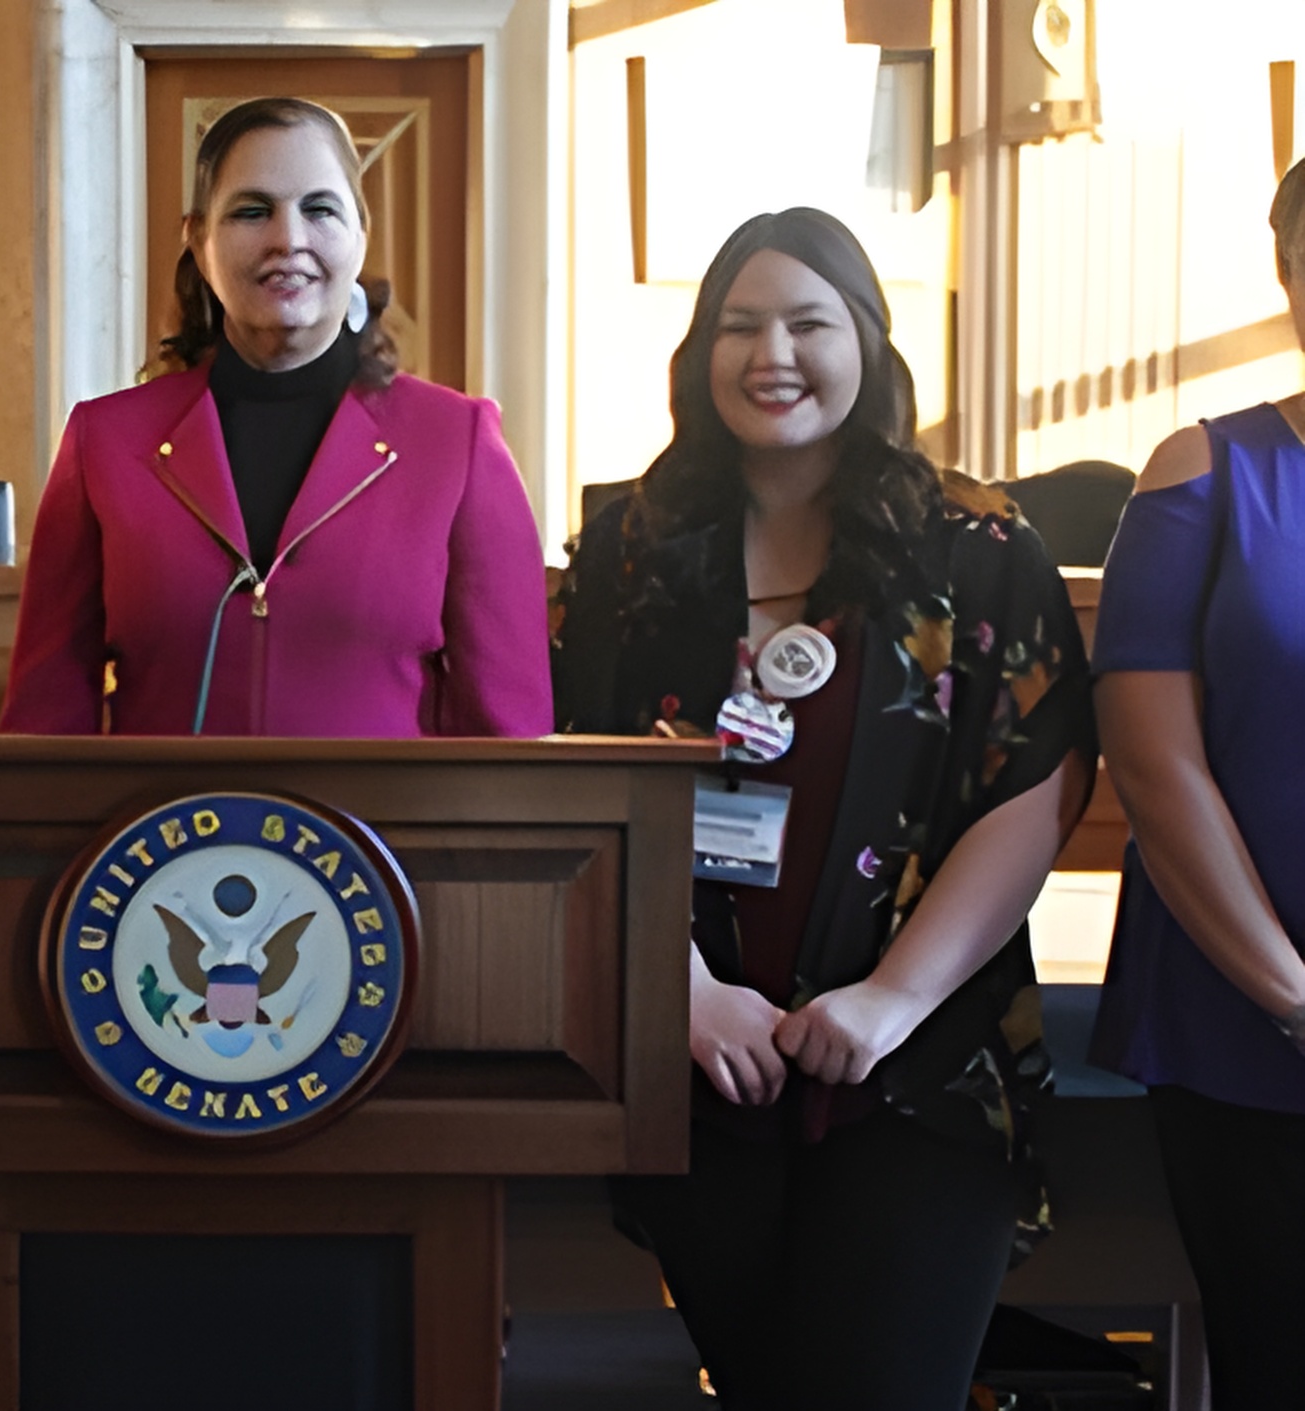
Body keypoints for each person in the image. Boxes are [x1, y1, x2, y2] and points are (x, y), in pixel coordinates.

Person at [551, 208, 1093, 1409]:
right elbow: (571, 782)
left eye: (809, 321)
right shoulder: (631, 548)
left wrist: (891, 1002)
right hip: (695, 1056)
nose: (771, 354)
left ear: (870, 342)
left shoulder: (976, 541)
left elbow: (1038, 774)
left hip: (922, 1065)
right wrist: (683, 993)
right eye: (738, 326)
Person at [0, 96, 549, 738]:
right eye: (252, 211)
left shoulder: (458, 442)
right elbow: (42, 726)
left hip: (383, 839)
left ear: (359, 236)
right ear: (199, 242)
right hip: (166, 835)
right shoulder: (106, 442)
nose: (288, 239)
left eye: (320, 210)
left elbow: (509, 738)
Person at [1089, 156, 1305, 1406]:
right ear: (1288, 272)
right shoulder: (1207, 472)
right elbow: (1155, 767)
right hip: (1250, 1027)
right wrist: (1294, 999)